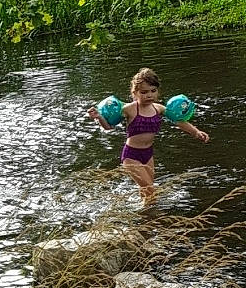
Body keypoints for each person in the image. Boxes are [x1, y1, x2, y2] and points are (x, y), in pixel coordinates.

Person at [87, 66, 209, 203]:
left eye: (153, 91)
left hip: (148, 154)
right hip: (131, 155)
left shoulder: (159, 108)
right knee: (150, 189)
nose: (149, 95)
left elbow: (179, 121)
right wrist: (99, 117)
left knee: (147, 193)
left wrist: (196, 132)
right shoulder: (129, 109)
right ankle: (151, 216)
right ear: (135, 93)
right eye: (144, 92)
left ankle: (145, 217)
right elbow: (109, 127)